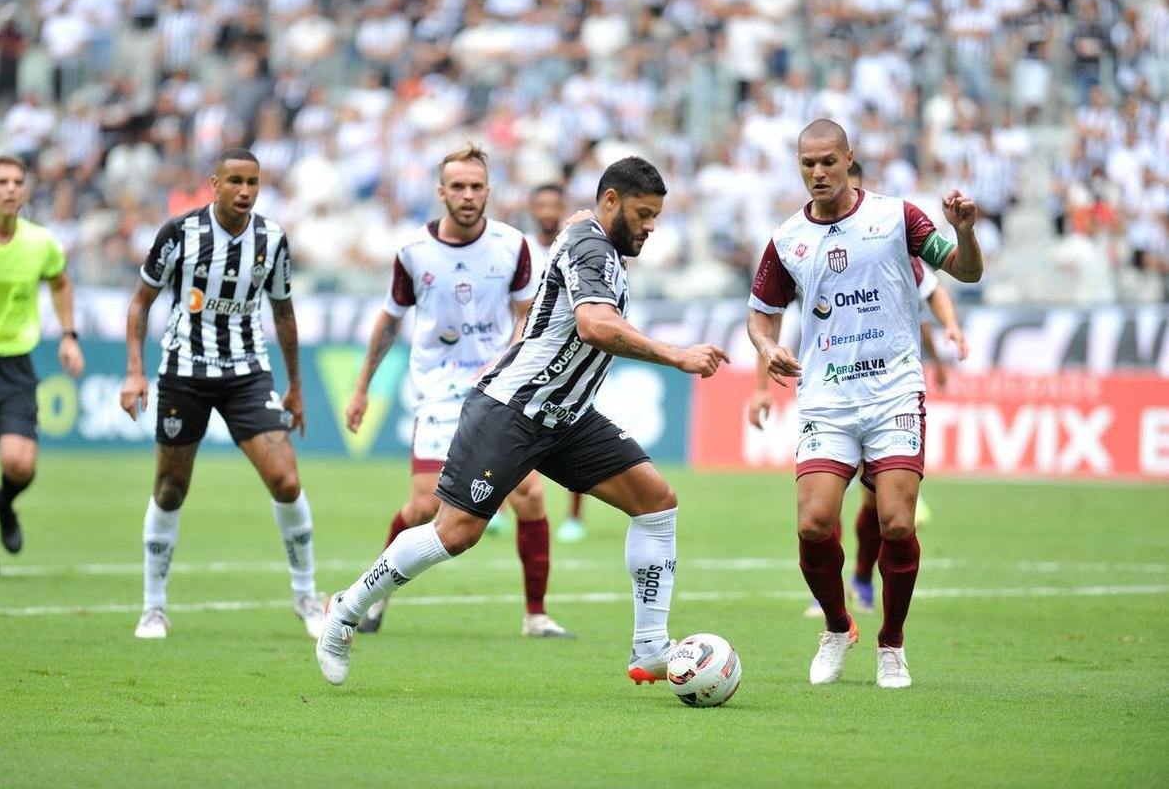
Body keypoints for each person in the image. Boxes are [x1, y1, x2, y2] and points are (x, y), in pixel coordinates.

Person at [315, 155, 729, 687]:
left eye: (656, 216)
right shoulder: (590, 246)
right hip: (513, 410)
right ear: (611, 203)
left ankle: (649, 647)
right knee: (454, 532)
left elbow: (569, 262)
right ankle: (345, 611)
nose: (651, 228)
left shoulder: (590, 234)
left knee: (656, 502)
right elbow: (595, 325)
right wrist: (677, 355)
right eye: (644, 215)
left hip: (567, 415)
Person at [747, 120, 983, 689]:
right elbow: (761, 312)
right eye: (808, 164)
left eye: (829, 161)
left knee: (897, 524)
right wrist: (767, 347)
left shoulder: (896, 217)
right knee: (813, 523)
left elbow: (968, 272)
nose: (818, 173)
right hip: (827, 400)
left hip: (894, 392)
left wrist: (965, 232)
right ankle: (836, 627)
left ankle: (892, 645)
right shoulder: (786, 239)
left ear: (849, 158)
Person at [344, 146, 573, 639]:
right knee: (424, 508)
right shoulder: (412, 253)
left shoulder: (514, 246)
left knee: (530, 496)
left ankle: (536, 615)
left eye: (476, 187)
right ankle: (373, 598)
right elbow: (390, 319)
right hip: (438, 392)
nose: (468, 196)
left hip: (498, 391)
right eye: (458, 187)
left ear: (488, 191)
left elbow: (528, 318)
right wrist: (362, 387)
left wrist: (511, 364)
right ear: (441, 192)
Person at [119, 147, 324, 640]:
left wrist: (295, 386)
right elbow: (140, 302)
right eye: (235, 181)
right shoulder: (179, 234)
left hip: (247, 374)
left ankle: (306, 596)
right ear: (214, 184)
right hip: (183, 373)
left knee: (287, 481)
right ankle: (154, 607)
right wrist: (134, 372)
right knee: (170, 489)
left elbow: (284, 313)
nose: (245, 192)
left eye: (252, 183)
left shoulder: (271, 239)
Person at [0, 154, 85, 578]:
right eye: (0, 181)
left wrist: (68, 335)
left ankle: (6, 502)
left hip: (14, 365)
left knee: (20, 464)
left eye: (18, 181)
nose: (10, 188)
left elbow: (60, 280)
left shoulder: (40, 242)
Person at [525, 183, 588, 544]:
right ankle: (501, 506)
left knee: (573, 428)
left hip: (570, 358)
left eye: (554, 204)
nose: (548, 211)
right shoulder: (524, 249)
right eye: (542, 203)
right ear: (532, 207)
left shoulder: (575, 246)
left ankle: (575, 517)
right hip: (529, 352)